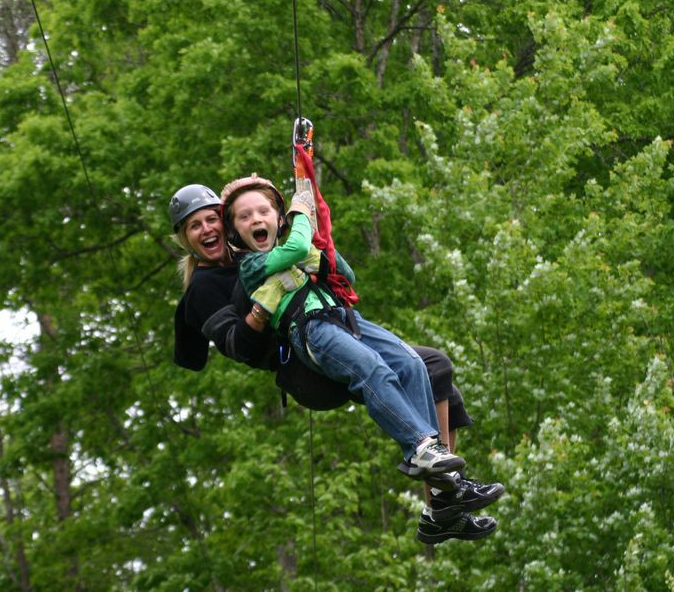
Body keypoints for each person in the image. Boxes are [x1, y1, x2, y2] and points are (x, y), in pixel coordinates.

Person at [170, 182, 502, 544]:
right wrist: (261, 309)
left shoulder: (254, 249)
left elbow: (318, 258)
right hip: (302, 363)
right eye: (195, 226)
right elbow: (240, 347)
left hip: (329, 326)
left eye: (210, 220)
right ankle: (430, 467)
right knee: (376, 371)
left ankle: (443, 503)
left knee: (432, 368)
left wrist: (307, 229)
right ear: (185, 239)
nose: (207, 230)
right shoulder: (207, 286)